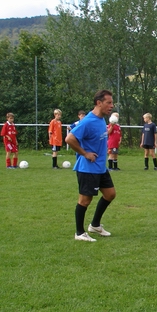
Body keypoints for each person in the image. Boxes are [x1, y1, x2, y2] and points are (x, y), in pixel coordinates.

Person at [65, 90, 116, 242]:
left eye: (112, 103)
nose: (111, 106)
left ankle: (95, 225)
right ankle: (79, 233)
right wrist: (85, 153)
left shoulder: (101, 120)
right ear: (99, 103)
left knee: (110, 194)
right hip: (88, 168)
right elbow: (69, 139)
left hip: (100, 167)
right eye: (108, 103)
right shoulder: (87, 121)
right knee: (84, 201)